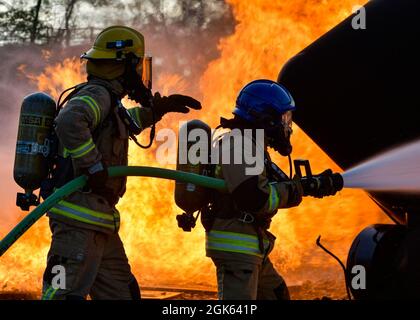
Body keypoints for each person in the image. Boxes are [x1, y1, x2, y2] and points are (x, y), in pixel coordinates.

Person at [41, 26, 201, 300]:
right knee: (60, 294)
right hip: (77, 223)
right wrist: (92, 165)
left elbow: (125, 123)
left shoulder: (108, 100)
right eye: (138, 65)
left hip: (99, 222)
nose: (140, 74)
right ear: (124, 65)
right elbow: (69, 122)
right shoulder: (97, 94)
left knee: (122, 293)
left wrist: (158, 110)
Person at [202, 79, 339, 300]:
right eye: (284, 119)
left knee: (276, 294)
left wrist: (309, 185)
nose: (287, 126)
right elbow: (255, 198)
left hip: (251, 243)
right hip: (237, 246)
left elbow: (272, 183)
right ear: (265, 118)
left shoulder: (250, 144)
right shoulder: (239, 145)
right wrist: (296, 190)